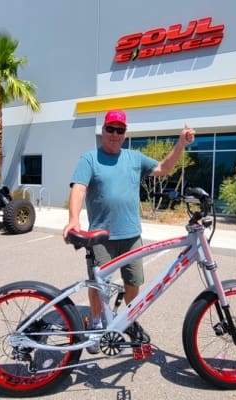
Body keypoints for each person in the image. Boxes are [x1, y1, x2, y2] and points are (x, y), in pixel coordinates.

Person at [63, 109, 195, 353]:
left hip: (131, 236)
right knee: (99, 285)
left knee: (133, 283)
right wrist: (74, 219)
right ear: (103, 130)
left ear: (125, 133)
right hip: (101, 238)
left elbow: (163, 169)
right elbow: (79, 188)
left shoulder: (134, 158)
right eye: (110, 129)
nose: (115, 134)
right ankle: (96, 323)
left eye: (120, 130)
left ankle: (129, 319)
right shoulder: (90, 159)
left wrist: (180, 144)